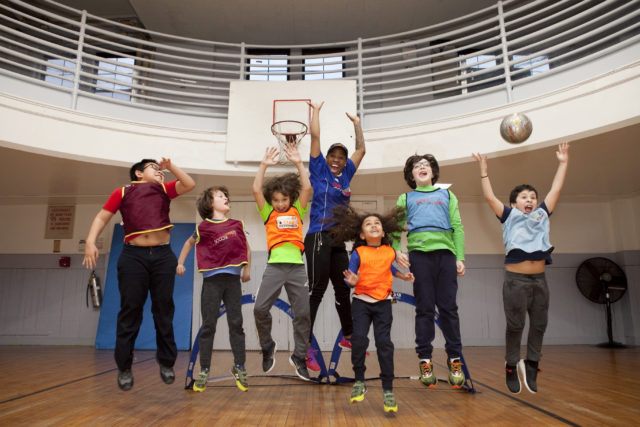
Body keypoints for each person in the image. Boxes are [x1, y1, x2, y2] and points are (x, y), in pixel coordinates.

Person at [82, 158, 195, 391]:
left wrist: (171, 167)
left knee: (163, 309)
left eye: (161, 169)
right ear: (138, 173)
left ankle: (166, 362)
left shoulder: (164, 189)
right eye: (154, 168)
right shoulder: (122, 192)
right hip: (133, 257)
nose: (160, 171)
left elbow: (189, 184)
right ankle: (124, 367)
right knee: (130, 310)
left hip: (163, 256)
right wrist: (90, 242)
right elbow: (102, 216)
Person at [472, 142, 570, 394]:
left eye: (533, 197)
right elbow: (489, 197)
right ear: (514, 203)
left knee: (539, 325)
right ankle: (511, 365)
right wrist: (484, 171)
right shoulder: (509, 216)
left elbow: (556, 189)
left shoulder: (542, 214)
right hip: (515, 281)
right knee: (516, 326)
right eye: (524, 197)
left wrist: (562, 163)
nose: (530, 200)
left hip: (540, 281)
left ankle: (532, 363)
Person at [392, 154, 467, 389]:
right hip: (419, 256)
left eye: (426, 165)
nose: (422, 167)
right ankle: (425, 360)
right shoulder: (405, 198)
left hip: (446, 255)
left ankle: (454, 360)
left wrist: (460, 257)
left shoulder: (447, 195)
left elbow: (457, 227)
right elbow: (395, 227)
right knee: (424, 309)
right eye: (417, 166)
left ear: (433, 173)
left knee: (448, 308)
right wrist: (396, 250)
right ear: (411, 175)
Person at [330, 206, 414, 413]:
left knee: (384, 344)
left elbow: (388, 267)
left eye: (377, 223)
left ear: (383, 232)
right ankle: (359, 380)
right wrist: (352, 281)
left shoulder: (390, 252)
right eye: (368, 224)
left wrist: (402, 275)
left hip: (383, 303)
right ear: (362, 234)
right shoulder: (358, 252)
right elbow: (351, 276)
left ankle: (388, 390)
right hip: (361, 303)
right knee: (358, 340)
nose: (374, 225)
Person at [304, 100, 366, 372]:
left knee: (343, 286)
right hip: (318, 235)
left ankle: (348, 336)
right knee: (317, 290)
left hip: (339, 240)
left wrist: (357, 125)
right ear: (327, 157)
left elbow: (361, 150)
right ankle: (304, 345)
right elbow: (315, 137)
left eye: (341, 157)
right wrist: (316, 111)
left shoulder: (347, 174)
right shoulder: (318, 170)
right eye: (333, 155)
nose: (337, 159)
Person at [176, 186, 251, 393]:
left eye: (226, 195)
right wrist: (180, 263)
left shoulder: (236, 224)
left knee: (236, 324)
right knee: (209, 325)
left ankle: (239, 366)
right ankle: (204, 369)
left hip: (233, 281)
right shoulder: (203, 227)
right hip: (212, 282)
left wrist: (247, 268)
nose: (225, 197)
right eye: (220, 196)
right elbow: (188, 243)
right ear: (210, 204)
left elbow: (246, 248)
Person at [252, 142, 312, 381]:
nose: (279, 203)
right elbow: (256, 189)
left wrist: (298, 162)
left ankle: (299, 356)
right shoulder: (268, 213)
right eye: (276, 200)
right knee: (259, 309)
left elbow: (307, 186)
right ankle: (267, 346)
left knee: (303, 313)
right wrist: (263, 165)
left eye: (283, 199)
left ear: (290, 198)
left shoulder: (298, 210)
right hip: (275, 266)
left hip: (297, 267)